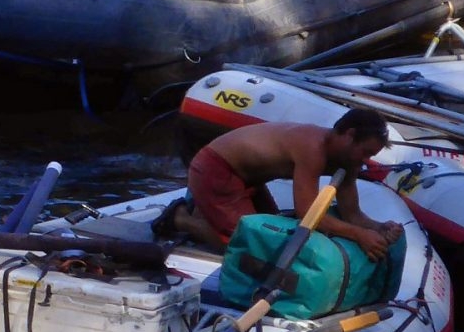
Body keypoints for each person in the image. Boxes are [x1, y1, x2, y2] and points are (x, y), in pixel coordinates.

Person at [162, 109, 403, 261]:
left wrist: (379, 227)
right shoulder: (312, 147)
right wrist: (360, 235)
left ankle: (207, 213)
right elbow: (308, 213)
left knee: (273, 233)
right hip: (217, 169)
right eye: (365, 153)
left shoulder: (349, 159)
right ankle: (181, 218)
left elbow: (352, 213)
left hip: (249, 179)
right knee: (253, 246)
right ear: (349, 135)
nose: (365, 162)